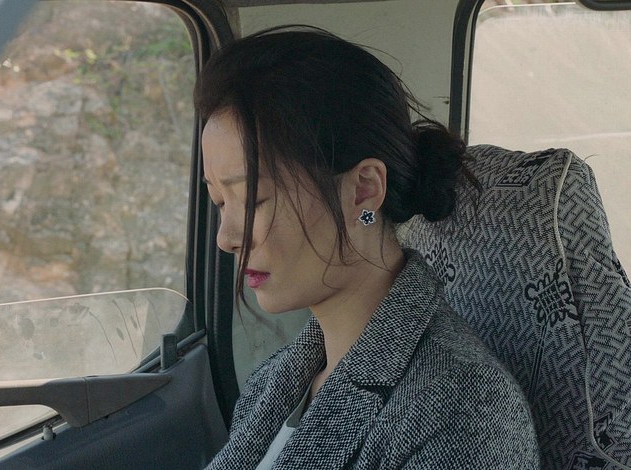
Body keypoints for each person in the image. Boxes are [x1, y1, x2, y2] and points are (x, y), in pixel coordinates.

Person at [195, 27, 539, 469]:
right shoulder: (275, 382)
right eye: (220, 202)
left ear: (363, 190)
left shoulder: (464, 414)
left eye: (253, 200)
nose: (226, 238)